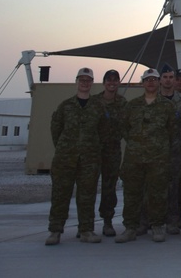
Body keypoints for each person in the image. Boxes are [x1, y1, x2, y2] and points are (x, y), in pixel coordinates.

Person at [116, 69, 176, 243]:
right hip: (134, 158)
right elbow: (124, 128)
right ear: (143, 83)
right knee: (132, 193)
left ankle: (157, 225)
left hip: (158, 158)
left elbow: (172, 131)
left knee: (157, 193)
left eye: (154, 80)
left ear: (158, 83)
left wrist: (159, 146)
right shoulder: (132, 105)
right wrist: (137, 143)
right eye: (147, 80)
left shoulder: (167, 106)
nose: (150, 83)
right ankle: (130, 227)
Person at [46, 67, 105, 245]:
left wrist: (91, 148)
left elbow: (103, 131)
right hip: (65, 158)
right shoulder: (65, 106)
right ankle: (55, 231)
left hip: (89, 159)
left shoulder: (98, 107)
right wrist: (66, 148)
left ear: (92, 83)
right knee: (60, 194)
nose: (85, 83)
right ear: (77, 82)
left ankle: (86, 230)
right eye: (82, 80)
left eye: (88, 80)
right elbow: (56, 130)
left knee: (87, 195)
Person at [94, 69, 126, 237]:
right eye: (109, 79)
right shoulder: (94, 102)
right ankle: (85, 224)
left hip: (112, 151)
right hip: (93, 151)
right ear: (104, 82)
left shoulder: (122, 103)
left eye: (115, 79)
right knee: (88, 188)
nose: (112, 82)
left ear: (119, 82)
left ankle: (107, 222)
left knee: (109, 188)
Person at [158, 63, 181, 234]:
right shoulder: (152, 99)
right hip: (154, 152)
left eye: (171, 77)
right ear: (160, 80)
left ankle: (174, 218)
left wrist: (179, 142)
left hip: (175, 151)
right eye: (166, 77)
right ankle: (151, 218)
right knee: (154, 185)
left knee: (175, 185)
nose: (169, 80)